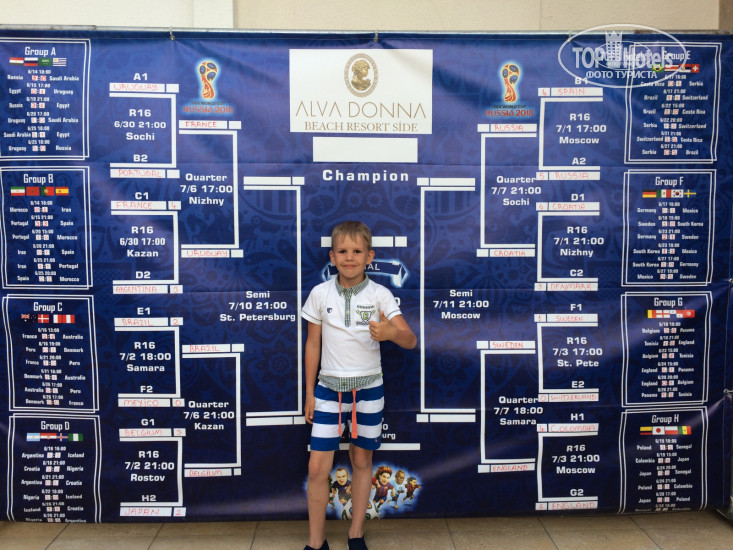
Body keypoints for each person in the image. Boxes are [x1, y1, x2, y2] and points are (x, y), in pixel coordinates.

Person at [302, 221, 417, 550]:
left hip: (368, 390)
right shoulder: (320, 293)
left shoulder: (380, 294)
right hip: (327, 391)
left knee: (362, 461)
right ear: (332, 257)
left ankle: (356, 534)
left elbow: (410, 339)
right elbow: (313, 344)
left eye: (356, 251)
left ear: (370, 256)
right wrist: (309, 393)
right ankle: (316, 543)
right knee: (317, 468)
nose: (349, 257)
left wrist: (391, 333)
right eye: (342, 251)